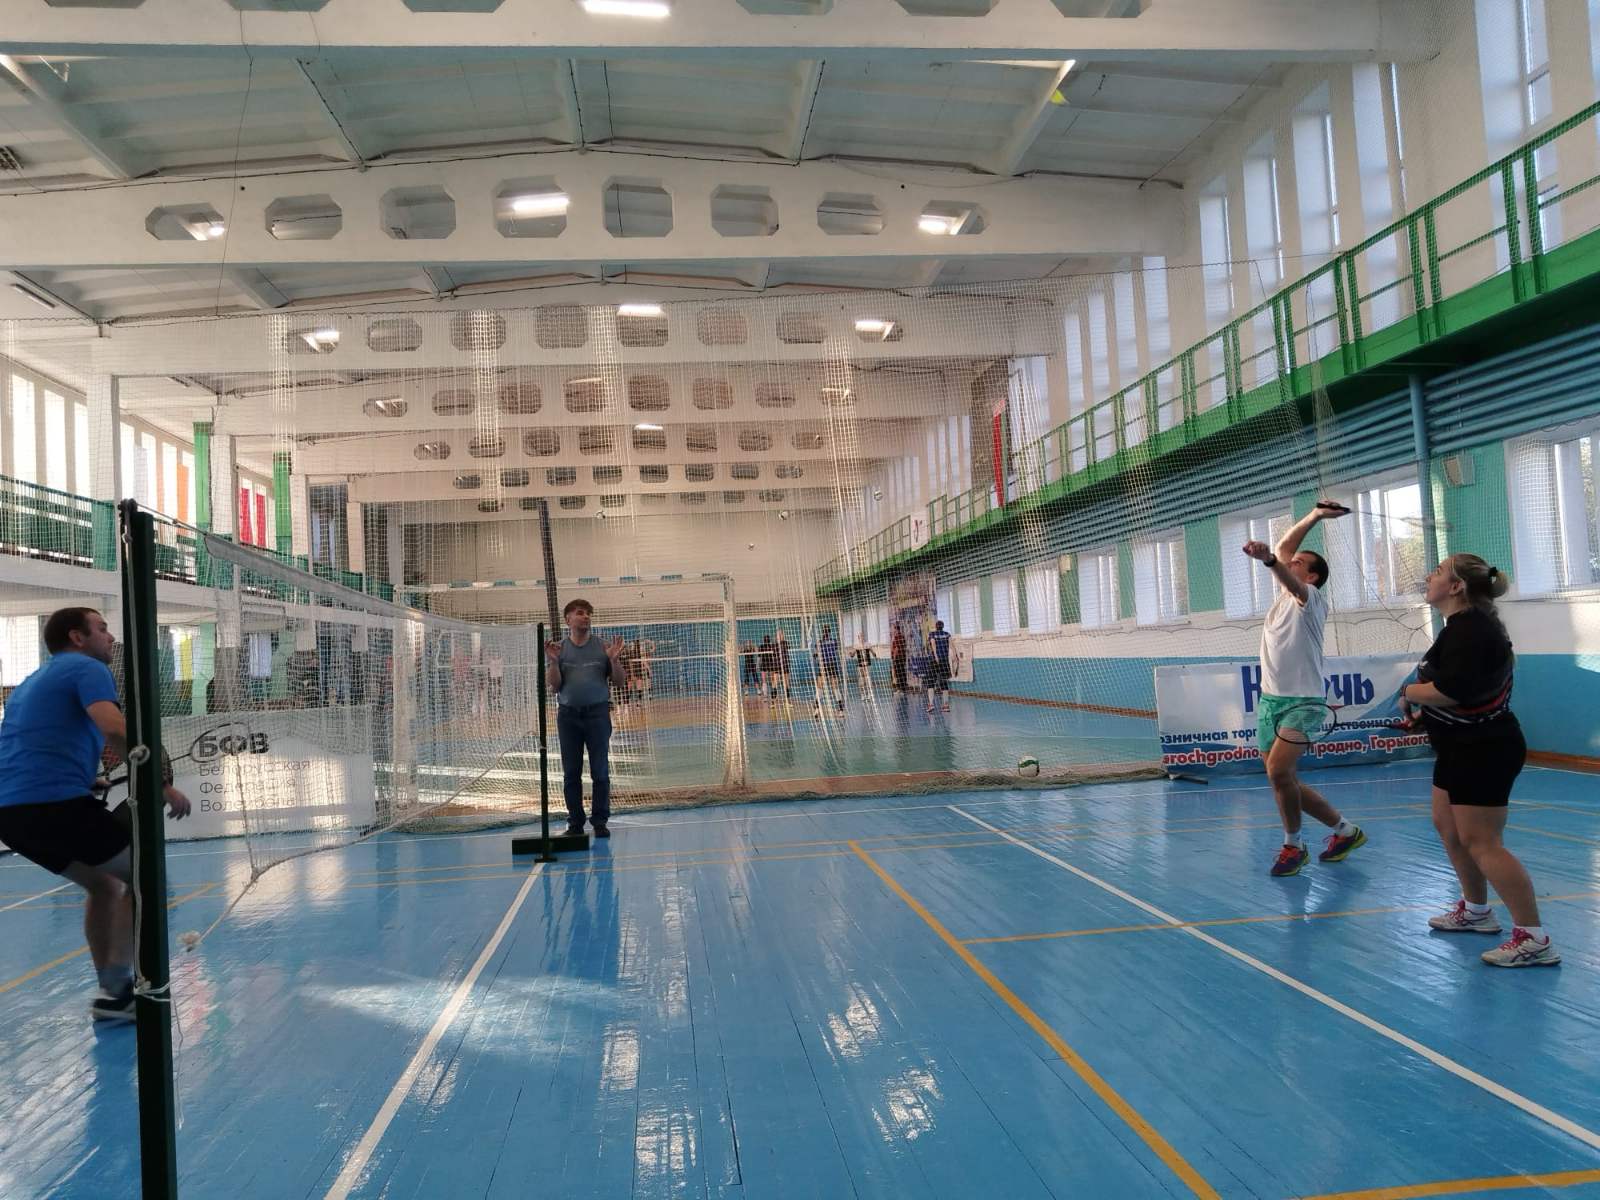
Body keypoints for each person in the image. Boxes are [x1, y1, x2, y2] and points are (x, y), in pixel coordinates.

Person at [0, 608, 191, 1021]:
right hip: (52, 805)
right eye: (102, 629)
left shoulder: (34, 680)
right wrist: (159, 785)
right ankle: (120, 988)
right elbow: (114, 728)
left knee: (103, 886)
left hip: (12, 814)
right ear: (77, 637)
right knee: (146, 878)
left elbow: (28, 744)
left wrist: (85, 779)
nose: (110, 638)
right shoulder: (86, 669)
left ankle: (112, 994)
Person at [1403, 554, 1556, 967]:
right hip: (1458, 743)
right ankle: (1476, 911)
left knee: (1483, 843)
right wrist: (1425, 716)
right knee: (1449, 828)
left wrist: (1409, 694)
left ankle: (1534, 938)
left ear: (1457, 587)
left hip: (1484, 748)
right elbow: (1465, 693)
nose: (1429, 576)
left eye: (1438, 572)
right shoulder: (1458, 627)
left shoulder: (1472, 631)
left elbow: (1451, 691)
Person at [1242, 503, 1365, 877]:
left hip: (1304, 703)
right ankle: (1346, 831)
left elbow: (1283, 566)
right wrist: (1314, 515)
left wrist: (1269, 561)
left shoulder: (1309, 598)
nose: (1290, 561)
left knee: (1279, 772)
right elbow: (1283, 549)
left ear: (1310, 576)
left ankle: (1294, 846)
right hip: (1270, 701)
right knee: (1284, 779)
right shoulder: (1283, 597)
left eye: (1298, 562)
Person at [545, 599, 625, 839]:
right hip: (568, 717)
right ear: (568, 619)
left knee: (600, 771)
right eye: (580, 613)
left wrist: (614, 661)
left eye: (589, 613)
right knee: (571, 773)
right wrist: (553, 663)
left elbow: (620, 682)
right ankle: (575, 824)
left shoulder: (603, 647)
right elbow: (555, 686)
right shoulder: (559, 649)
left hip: (597, 715)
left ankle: (600, 822)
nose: (586, 617)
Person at [926, 620, 953, 713]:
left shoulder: (932, 634)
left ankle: (931, 704)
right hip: (944, 661)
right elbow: (952, 646)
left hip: (934, 660)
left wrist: (936, 655)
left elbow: (933, 644)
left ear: (936, 626)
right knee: (944, 682)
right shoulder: (947, 634)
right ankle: (946, 705)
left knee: (930, 682)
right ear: (943, 626)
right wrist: (955, 656)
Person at [816, 627, 844, 713]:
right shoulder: (834, 641)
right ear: (829, 633)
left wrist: (816, 655)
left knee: (820, 686)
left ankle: (817, 708)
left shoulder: (820, 642)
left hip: (824, 665)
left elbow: (817, 654)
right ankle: (840, 709)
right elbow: (834, 650)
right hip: (832, 664)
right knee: (835, 687)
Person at [759, 634, 779, 699]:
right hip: (767, 664)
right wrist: (758, 664)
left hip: (768, 664)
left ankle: (770, 694)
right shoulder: (763, 646)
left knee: (767, 679)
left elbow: (759, 657)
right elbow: (759, 656)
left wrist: (758, 664)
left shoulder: (770, 646)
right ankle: (767, 694)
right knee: (766, 680)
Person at [890, 622, 908, 692]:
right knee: (902, 672)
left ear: (896, 630)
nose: (892, 631)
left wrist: (894, 658)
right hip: (902, 657)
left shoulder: (897, 637)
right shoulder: (901, 636)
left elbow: (896, 649)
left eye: (893, 629)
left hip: (898, 658)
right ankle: (903, 688)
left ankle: (900, 688)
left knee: (898, 673)